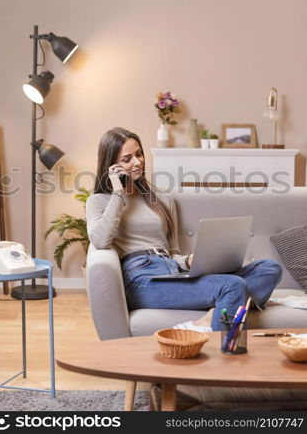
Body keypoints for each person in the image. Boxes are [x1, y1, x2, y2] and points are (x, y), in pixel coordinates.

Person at [86, 127, 282, 331]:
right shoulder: (99, 201)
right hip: (141, 280)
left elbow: (172, 251)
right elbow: (100, 241)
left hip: (173, 271)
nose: (138, 162)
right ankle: (221, 349)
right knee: (233, 285)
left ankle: (215, 313)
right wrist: (118, 193)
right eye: (127, 159)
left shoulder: (161, 199)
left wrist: (188, 261)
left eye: (139, 154)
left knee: (269, 268)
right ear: (111, 165)